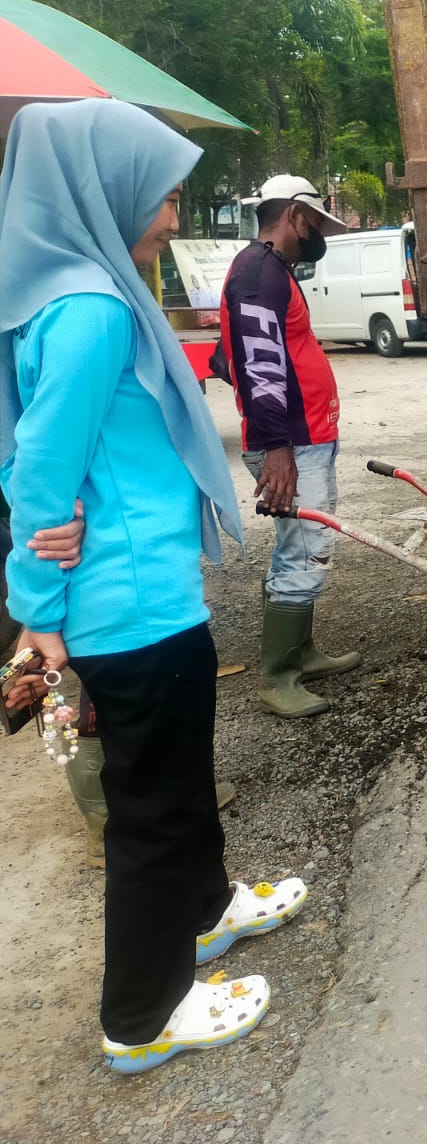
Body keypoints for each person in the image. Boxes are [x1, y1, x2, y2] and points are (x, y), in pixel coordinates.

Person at [0, 99, 306, 1074]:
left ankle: (207, 912)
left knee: (178, 782)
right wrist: (38, 613)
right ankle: (143, 1014)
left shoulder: (82, 290)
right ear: (105, 190)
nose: (173, 219)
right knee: (153, 808)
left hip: (148, 589)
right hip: (126, 608)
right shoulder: (88, 310)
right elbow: (39, 478)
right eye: (165, 198)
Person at [220, 175, 358, 717]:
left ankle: (301, 653)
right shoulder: (259, 273)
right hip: (292, 445)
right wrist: (276, 444)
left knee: (302, 548)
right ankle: (278, 677)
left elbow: (229, 359)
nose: (319, 237)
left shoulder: (267, 270)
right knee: (304, 551)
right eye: (318, 224)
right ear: (296, 216)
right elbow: (258, 362)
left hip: (304, 439)